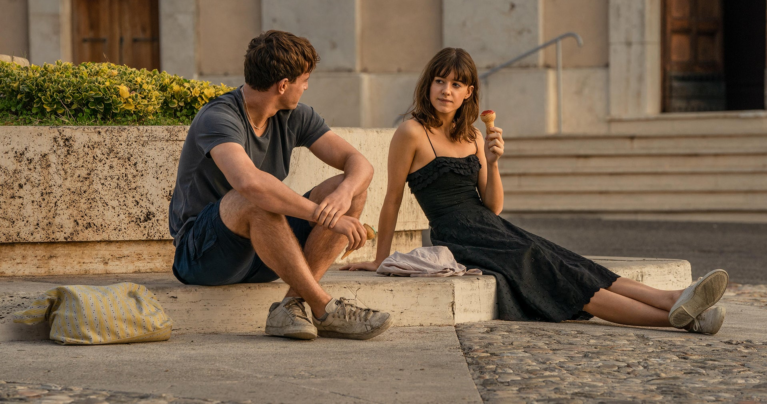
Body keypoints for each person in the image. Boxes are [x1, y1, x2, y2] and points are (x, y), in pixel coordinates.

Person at [341, 47, 728, 334]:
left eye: (455, 84)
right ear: (428, 86)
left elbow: (492, 207)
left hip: (489, 227)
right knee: (553, 272)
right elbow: (391, 198)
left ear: (467, 92)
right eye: (439, 81)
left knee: (567, 260)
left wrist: (493, 164)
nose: (445, 90)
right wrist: (380, 259)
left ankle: (674, 298)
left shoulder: (474, 136)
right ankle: (679, 317)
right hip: (457, 234)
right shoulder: (412, 132)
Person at [169, 30, 393, 341]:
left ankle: (290, 306)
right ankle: (324, 309)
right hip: (203, 256)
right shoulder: (218, 117)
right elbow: (249, 183)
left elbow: (360, 164)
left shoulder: (295, 116)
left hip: (267, 251)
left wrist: (342, 196)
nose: (306, 86)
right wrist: (324, 215)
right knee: (255, 198)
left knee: (351, 186)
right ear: (283, 85)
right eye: (304, 80)